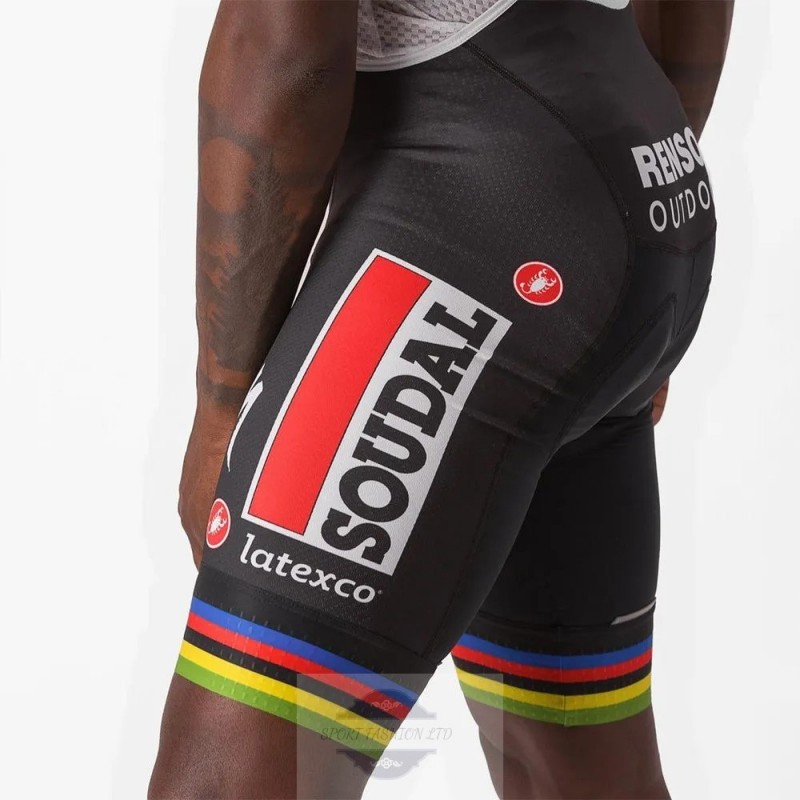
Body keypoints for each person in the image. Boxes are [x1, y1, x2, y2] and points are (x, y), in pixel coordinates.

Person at [148, 1, 734, 797]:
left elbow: (281, 49)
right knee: (570, 771)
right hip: (638, 190)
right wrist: (620, 248)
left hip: (469, 232)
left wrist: (223, 403)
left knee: (225, 782)